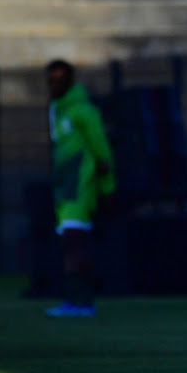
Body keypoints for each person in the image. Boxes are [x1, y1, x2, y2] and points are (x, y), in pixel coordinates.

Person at [44, 59, 116, 318]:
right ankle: (74, 300)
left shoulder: (83, 110)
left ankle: (83, 301)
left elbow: (102, 153)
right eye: (52, 78)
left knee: (77, 245)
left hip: (79, 187)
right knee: (70, 245)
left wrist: (107, 188)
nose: (55, 83)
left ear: (70, 79)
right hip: (64, 188)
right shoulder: (58, 110)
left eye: (61, 78)